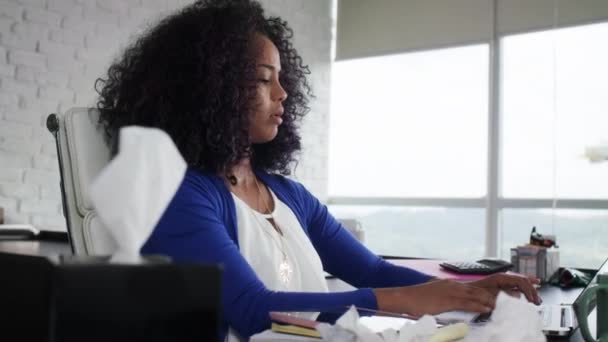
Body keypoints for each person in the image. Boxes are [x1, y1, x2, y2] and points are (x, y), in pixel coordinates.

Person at [95, 0, 541, 340]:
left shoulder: (289, 195)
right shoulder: (183, 194)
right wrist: (407, 300)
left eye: (283, 78)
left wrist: (478, 290)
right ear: (211, 89)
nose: (284, 93)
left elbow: (373, 272)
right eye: (264, 79)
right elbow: (250, 309)